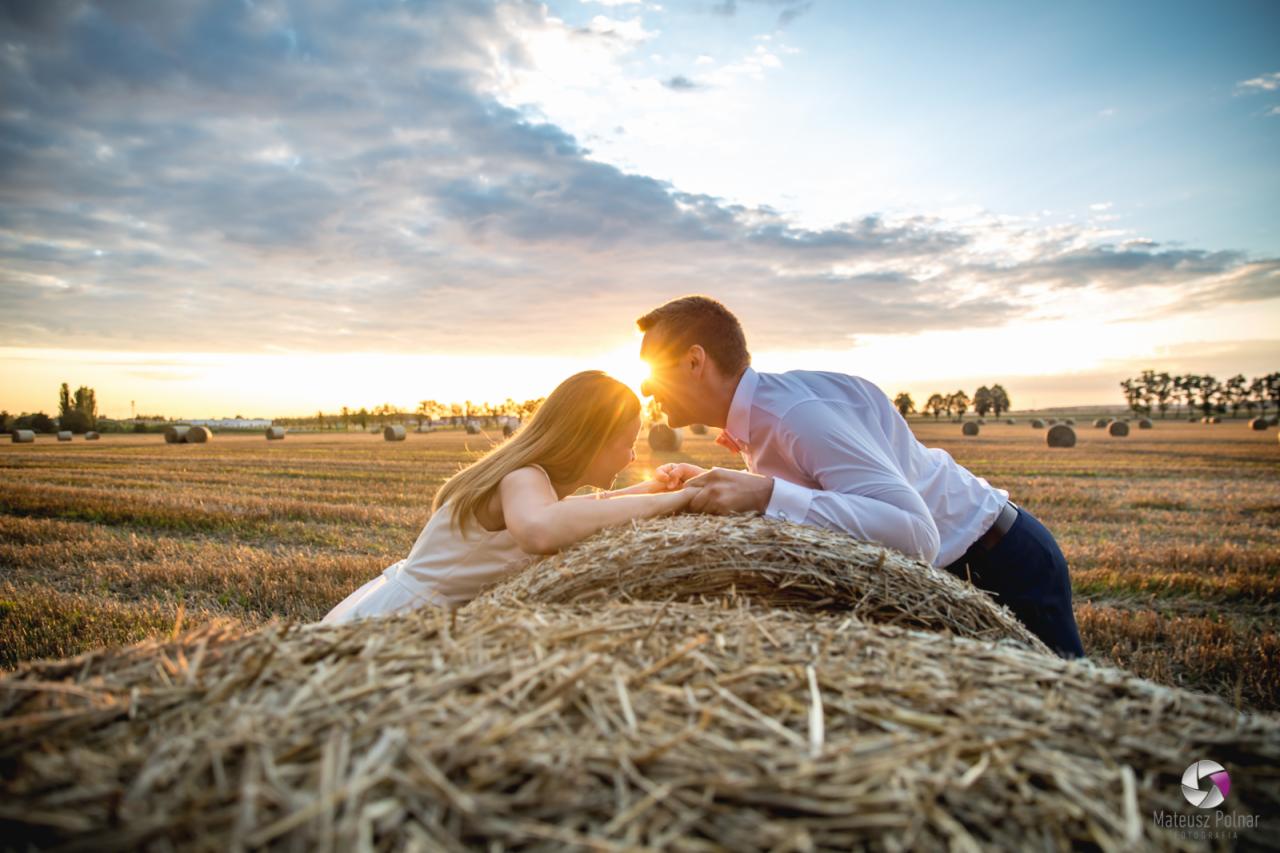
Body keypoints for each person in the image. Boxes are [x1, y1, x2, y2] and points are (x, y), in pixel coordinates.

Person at [639, 295, 1085, 658]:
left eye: (652, 370)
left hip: (1001, 563)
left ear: (695, 362)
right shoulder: (767, 412)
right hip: (957, 573)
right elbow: (825, 491)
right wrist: (734, 487)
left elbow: (915, 532)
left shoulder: (795, 415)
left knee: (1077, 727)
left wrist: (763, 493)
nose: (645, 388)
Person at [323, 371, 695, 623]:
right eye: (628, 444)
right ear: (591, 442)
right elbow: (540, 531)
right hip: (397, 620)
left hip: (415, 610)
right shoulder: (523, 477)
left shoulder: (534, 484)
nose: (632, 457)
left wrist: (656, 487)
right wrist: (671, 503)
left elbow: (590, 508)